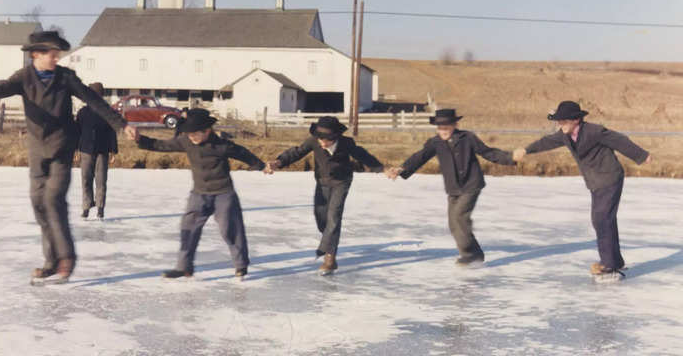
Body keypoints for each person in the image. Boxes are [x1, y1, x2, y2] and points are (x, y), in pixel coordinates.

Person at [0, 31, 136, 284]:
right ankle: (50, 261)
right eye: (51, 53)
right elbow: (1, 88)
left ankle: (66, 259)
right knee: (38, 202)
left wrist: (120, 124)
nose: (55, 57)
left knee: (53, 200)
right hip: (38, 149)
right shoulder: (24, 77)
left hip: (62, 147)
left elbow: (93, 100)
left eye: (57, 53)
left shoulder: (65, 77)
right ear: (36, 54)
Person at [513, 100, 651, 279]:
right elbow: (547, 142)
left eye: (563, 121)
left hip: (609, 178)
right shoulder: (565, 134)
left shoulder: (594, 131)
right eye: (558, 121)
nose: (559, 124)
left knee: (601, 219)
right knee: (604, 219)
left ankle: (609, 265)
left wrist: (641, 155)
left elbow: (619, 140)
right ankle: (615, 261)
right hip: (595, 182)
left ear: (575, 120)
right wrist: (526, 150)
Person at [136, 108, 267, 279]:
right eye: (189, 133)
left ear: (207, 131)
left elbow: (244, 154)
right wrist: (140, 139)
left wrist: (263, 166)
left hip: (223, 193)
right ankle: (184, 267)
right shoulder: (186, 141)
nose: (191, 136)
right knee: (188, 228)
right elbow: (162, 145)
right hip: (199, 194)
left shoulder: (222, 145)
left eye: (195, 133)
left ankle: (241, 265)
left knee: (230, 229)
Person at [386, 109, 517, 267]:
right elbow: (419, 157)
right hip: (453, 187)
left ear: (455, 125)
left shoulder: (467, 138)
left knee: (460, 216)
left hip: (471, 184)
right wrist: (401, 169)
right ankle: (474, 254)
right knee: (453, 223)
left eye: (446, 127)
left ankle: (470, 255)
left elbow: (487, 152)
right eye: (440, 128)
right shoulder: (435, 142)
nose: (443, 131)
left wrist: (510, 158)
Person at [266, 116, 384, 275]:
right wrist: (278, 162)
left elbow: (363, 155)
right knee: (321, 218)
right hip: (322, 182)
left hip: (341, 182)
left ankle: (330, 257)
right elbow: (297, 152)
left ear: (335, 137)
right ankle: (329, 241)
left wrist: (382, 169)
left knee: (334, 216)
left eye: (326, 139)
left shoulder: (346, 143)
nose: (322, 142)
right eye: (320, 138)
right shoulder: (314, 141)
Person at [76, 82, 118, 220]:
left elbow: (112, 132)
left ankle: (100, 208)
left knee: (101, 180)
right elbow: (77, 132)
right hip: (86, 150)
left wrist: (113, 151)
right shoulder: (82, 112)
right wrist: (75, 150)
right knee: (86, 180)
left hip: (102, 150)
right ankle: (86, 207)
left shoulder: (107, 112)